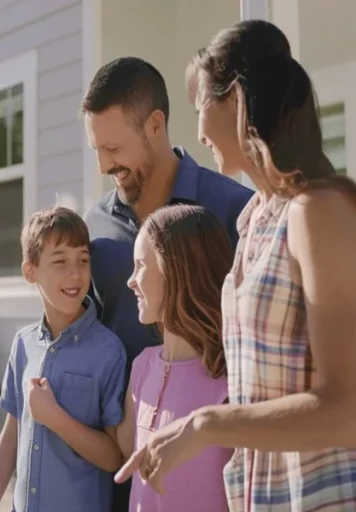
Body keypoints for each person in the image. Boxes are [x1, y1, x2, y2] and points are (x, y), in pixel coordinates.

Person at [115, 19, 356, 511]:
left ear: (237, 100)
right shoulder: (252, 221)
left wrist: (207, 424)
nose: (198, 130)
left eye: (201, 105)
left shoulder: (317, 211)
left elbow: (347, 409)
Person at [80, 56, 253, 510]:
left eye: (113, 148)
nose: (104, 165)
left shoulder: (236, 211)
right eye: (96, 150)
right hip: (121, 467)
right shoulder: (95, 227)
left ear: (155, 125)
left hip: (211, 469)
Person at [0, 205, 127, 512]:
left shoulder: (108, 351)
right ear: (30, 272)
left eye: (83, 260)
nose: (75, 273)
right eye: (60, 261)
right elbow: (11, 436)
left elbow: (114, 457)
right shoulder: (23, 344)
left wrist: (54, 418)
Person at [117, 204, 234, 511]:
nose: (131, 281)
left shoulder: (230, 378)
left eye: (140, 265)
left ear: (176, 270)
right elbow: (124, 449)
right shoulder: (142, 367)